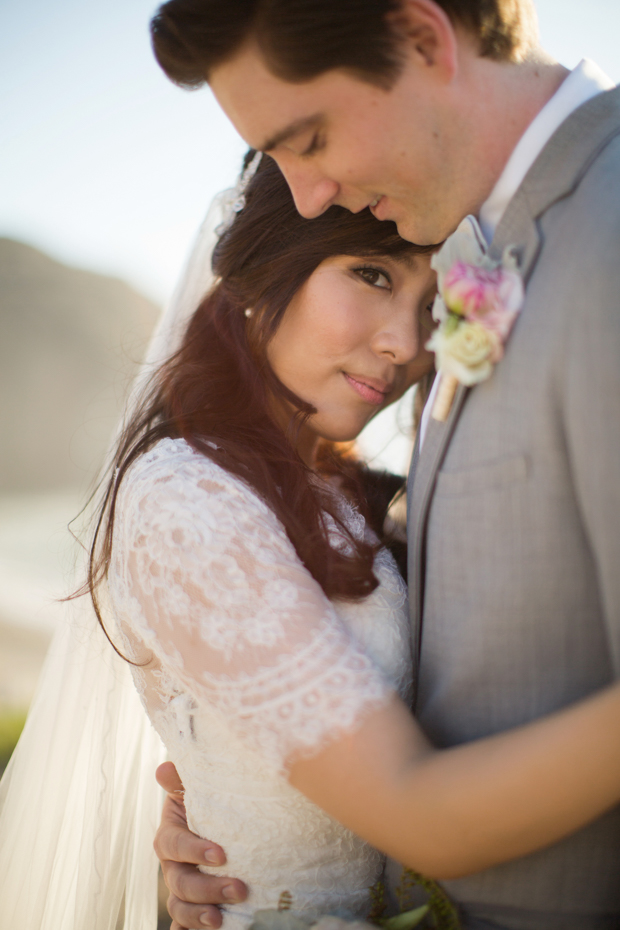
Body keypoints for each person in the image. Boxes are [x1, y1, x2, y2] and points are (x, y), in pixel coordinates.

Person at [148, 2, 620, 929]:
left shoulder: (602, 234)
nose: (308, 197)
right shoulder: (485, 253)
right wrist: (249, 810)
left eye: (310, 137)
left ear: (422, 36)